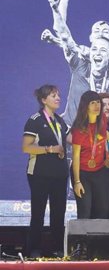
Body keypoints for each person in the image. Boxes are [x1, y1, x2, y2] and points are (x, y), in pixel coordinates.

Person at [22, 85, 70, 258]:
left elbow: (71, 138)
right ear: (43, 100)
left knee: (59, 213)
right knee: (38, 212)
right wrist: (50, 149)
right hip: (39, 174)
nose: (58, 98)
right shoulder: (35, 120)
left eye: (58, 95)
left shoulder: (60, 120)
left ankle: (57, 248)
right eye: (53, 95)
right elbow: (26, 147)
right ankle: (34, 249)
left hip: (60, 174)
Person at [71, 91, 109, 220]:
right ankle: (82, 240)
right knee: (85, 210)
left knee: (103, 208)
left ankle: (98, 239)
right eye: (92, 103)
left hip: (99, 171)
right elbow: (75, 156)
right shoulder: (79, 128)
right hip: (82, 173)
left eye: (98, 102)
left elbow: (104, 134)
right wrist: (77, 182)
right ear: (85, 106)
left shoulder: (102, 120)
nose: (97, 106)